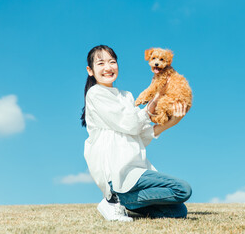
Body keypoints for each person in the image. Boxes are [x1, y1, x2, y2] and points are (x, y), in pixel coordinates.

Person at [81, 45, 192, 222]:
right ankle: (113, 199)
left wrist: (174, 121)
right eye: (101, 63)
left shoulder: (126, 96)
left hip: (137, 168)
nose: (108, 67)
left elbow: (140, 135)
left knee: (178, 211)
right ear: (90, 70)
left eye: (112, 62)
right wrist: (155, 99)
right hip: (117, 171)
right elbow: (131, 124)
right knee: (183, 189)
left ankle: (123, 202)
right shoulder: (95, 94)